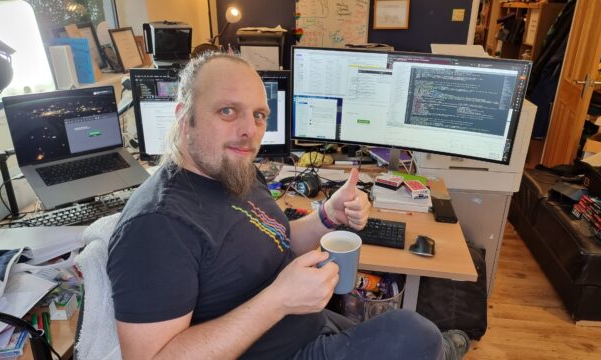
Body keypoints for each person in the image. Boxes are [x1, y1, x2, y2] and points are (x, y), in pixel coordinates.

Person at [107, 53, 468, 359]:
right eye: (228, 111)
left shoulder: (233, 171)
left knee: (415, 335)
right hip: (284, 349)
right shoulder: (156, 226)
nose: (250, 130)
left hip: (309, 322)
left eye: (259, 115)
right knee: (414, 332)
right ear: (185, 116)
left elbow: (276, 239)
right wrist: (277, 301)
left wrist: (328, 216)